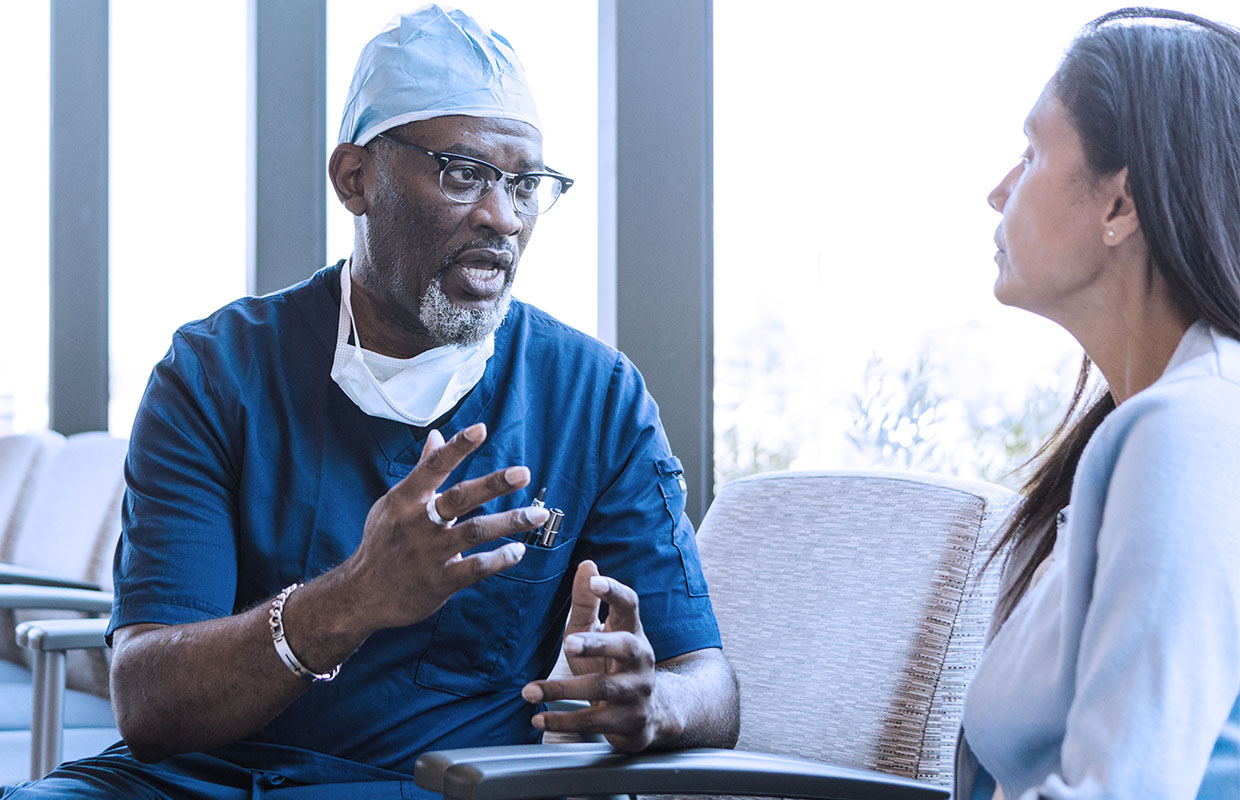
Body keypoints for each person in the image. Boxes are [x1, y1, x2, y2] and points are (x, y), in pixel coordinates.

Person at [3, 5, 738, 798]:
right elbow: (147, 704)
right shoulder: (217, 374)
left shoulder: (595, 399)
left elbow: (711, 685)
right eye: (464, 173)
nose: (503, 216)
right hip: (204, 782)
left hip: (443, 788)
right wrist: (352, 600)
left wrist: (653, 703)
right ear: (356, 180)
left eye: (526, 184)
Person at [957, 7, 1240, 800]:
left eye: (1031, 152)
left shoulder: (1191, 432)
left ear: (1120, 205)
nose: (998, 192)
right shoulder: (1146, 426)